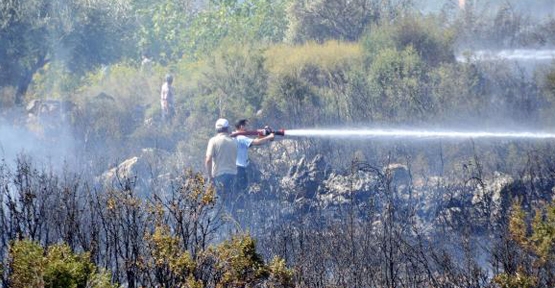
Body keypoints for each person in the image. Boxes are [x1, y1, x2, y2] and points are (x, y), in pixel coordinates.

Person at [233, 119, 274, 192]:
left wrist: (261, 136)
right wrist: (269, 137)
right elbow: (257, 142)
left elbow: (255, 142)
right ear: (242, 126)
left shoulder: (234, 137)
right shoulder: (241, 137)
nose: (247, 128)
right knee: (242, 190)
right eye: (246, 126)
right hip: (240, 168)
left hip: (235, 168)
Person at [205, 118, 238, 202]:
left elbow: (208, 160)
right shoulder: (234, 141)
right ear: (227, 128)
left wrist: (210, 177)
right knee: (231, 203)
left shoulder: (213, 141)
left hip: (219, 176)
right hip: (233, 176)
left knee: (219, 204)